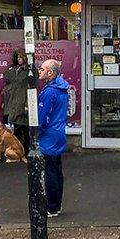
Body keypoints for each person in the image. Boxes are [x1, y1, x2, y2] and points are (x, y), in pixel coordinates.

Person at [37, 59, 69, 218]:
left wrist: (37, 131)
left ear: (50, 72)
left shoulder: (50, 92)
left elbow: (42, 117)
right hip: (58, 133)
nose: (39, 71)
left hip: (48, 136)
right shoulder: (61, 88)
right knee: (56, 170)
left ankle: (51, 206)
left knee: (50, 172)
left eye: (42, 69)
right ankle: (57, 204)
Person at [2, 50, 31, 154]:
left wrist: (27, 104)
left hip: (22, 101)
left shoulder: (28, 71)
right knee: (17, 128)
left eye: (21, 57)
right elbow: (6, 79)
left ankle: (26, 151)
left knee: (24, 128)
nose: (19, 60)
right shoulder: (13, 69)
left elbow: (31, 87)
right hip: (13, 101)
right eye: (17, 58)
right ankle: (19, 151)